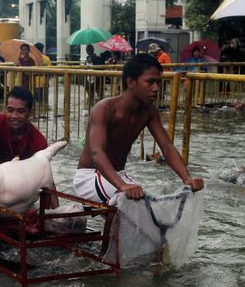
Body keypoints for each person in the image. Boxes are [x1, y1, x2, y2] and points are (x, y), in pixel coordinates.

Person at [73, 54, 204, 203]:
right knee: (135, 203)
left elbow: (167, 147)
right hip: (90, 176)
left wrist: (186, 178)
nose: (156, 88)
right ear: (130, 82)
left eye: (157, 83)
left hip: (118, 175)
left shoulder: (149, 112)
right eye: (150, 82)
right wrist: (122, 185)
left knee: (148, 205)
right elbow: (97, 152)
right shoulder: (104, 109)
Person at [0, 86, 47, 167]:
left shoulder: (39, 143)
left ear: (30, 113)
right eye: (10, 110)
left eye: (20, 111)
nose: (14, 116)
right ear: (5, 109)